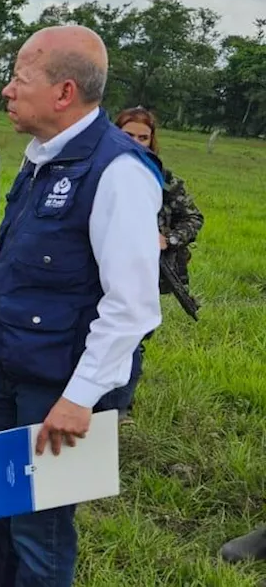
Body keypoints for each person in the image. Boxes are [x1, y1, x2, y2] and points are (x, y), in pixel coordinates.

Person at [0, 25, 164, 587]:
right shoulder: (44, 158)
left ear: (64, 93)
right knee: (4, 515)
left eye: (19, 78)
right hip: (14, 375)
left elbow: (131, 306)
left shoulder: (119, 171)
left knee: (41, 536)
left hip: (59, 392)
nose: (7, 90)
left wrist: (79, 399)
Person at [102, 106, 204, 423]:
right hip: (97, 267)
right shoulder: (97, 170)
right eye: (127, 135)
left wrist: (168, 239)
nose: (135, 141)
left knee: (130, 337)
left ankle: (119, 409)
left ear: (152, 140)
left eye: (142, 137)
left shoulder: (162, 177)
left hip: (141, 271)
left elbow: (194, 217)